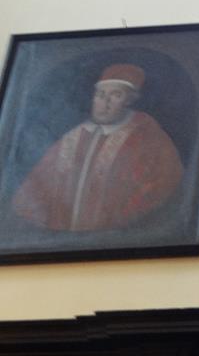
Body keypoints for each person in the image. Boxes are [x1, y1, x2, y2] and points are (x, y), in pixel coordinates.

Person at [12, 63, 183, 231]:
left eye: (116, 95)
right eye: (100, 95)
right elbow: (36, 185)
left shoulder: (146, 134)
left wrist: (119, 222)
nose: (105, 102)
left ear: (129, 101)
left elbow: (165, 184)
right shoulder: (74, 136)